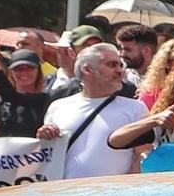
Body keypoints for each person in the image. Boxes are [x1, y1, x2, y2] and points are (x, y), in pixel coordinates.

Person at [37, 47, 146, 179]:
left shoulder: (135, 108)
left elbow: (142, 155)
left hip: (115, 195)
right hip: (66, 194)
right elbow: (48, 154)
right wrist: (44, 137)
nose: (119, 71)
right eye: (111, 65)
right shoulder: (58, 107)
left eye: (120, 65)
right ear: (87, 69)